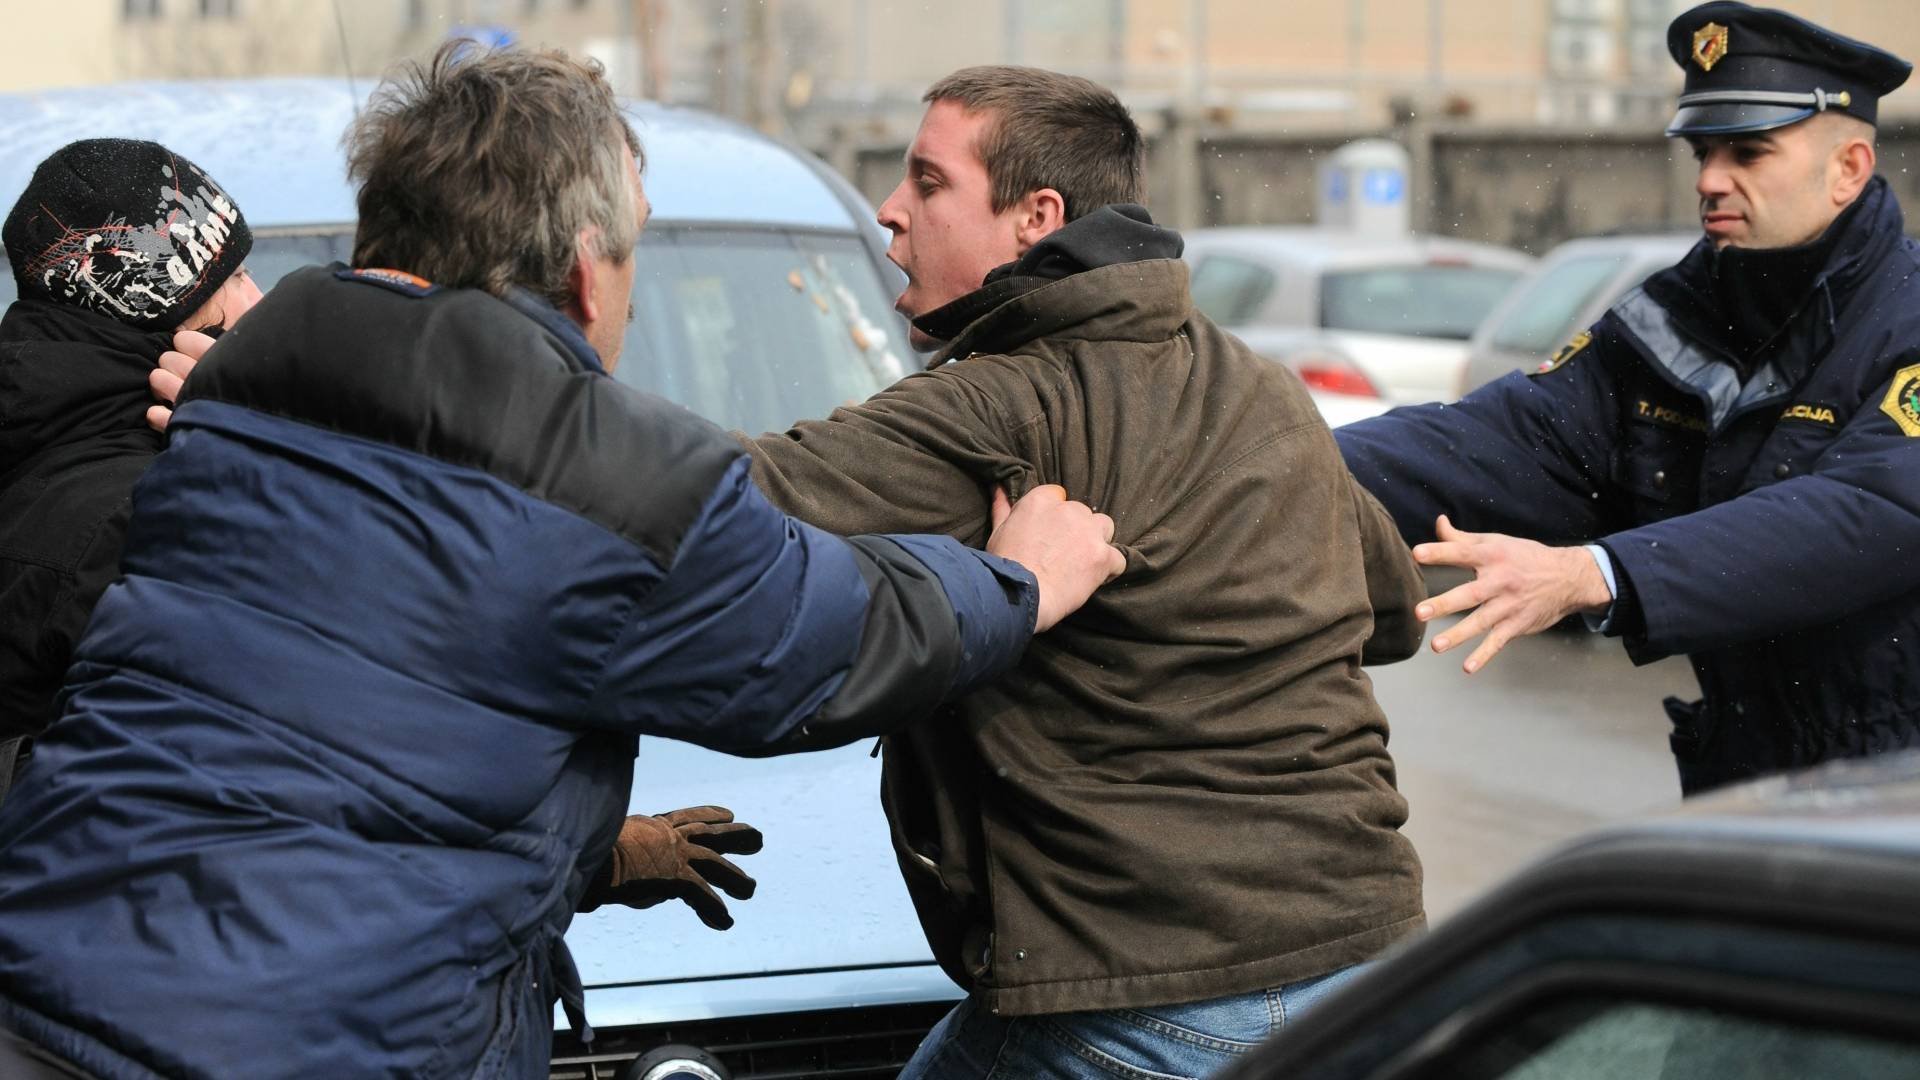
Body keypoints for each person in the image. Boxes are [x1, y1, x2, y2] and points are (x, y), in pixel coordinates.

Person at [0, 45, 1122, 1080]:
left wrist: (594, 856)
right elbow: (828, 639)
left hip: (41, 996)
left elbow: (342, 754)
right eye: (633, 244)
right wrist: (1013, 583)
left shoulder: (234, 395)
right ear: (589, 273)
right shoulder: (607, 474)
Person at [737, 67, 1428, 1078]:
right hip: (1369, 965)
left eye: (928, 182)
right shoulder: (1260, 391)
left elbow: (707, 506)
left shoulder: (995, 409)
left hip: (1146, 1001)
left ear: (1037, 219)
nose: (890, 210)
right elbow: (1391, 613)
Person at [1336, 1, 1920, 796]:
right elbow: (1492, 442)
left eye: (1749, 152)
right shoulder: (1675, 322)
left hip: (1897, 778)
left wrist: (1597, 574)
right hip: (1751, 775)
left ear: (1849, 168)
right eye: (1704, 152)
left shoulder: (1904, 318)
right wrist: (1260, 463)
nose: (1710, 180)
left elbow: (1867, 512)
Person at [0, 139, 261, 808]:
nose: (256, 300)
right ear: (158, 309)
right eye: (233, 277)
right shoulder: (145, 516)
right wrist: (272, 460)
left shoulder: (50, 442)